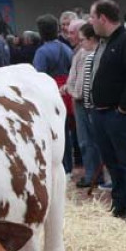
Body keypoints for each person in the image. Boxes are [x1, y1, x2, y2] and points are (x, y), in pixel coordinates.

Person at [88, 0, 126, 225]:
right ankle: (119, 203)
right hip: (103, 113)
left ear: (103, 18)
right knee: (112, 162)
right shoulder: (105, 42)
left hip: (122, 114)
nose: (90, 22)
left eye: (92, 17)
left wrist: (124, 108)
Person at [33, 14, 75, 172]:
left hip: (51, 93)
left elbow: (38, 76)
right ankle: (69, 166)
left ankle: (61, 167)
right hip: (67, 92)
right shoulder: (67, 48)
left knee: (54, 133)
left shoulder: (42, 52)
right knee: (66, 131)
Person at [67, 23, 104, 189]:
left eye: (81, 39)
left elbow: (83, 83)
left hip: (85, 102)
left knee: (87, 141)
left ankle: (93, 175)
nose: (78, 41)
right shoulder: (82, 52)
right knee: (87, 141)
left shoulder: (89, 55)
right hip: (82, 101)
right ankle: (94, 174)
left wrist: (72, 91)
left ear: (90, 38)